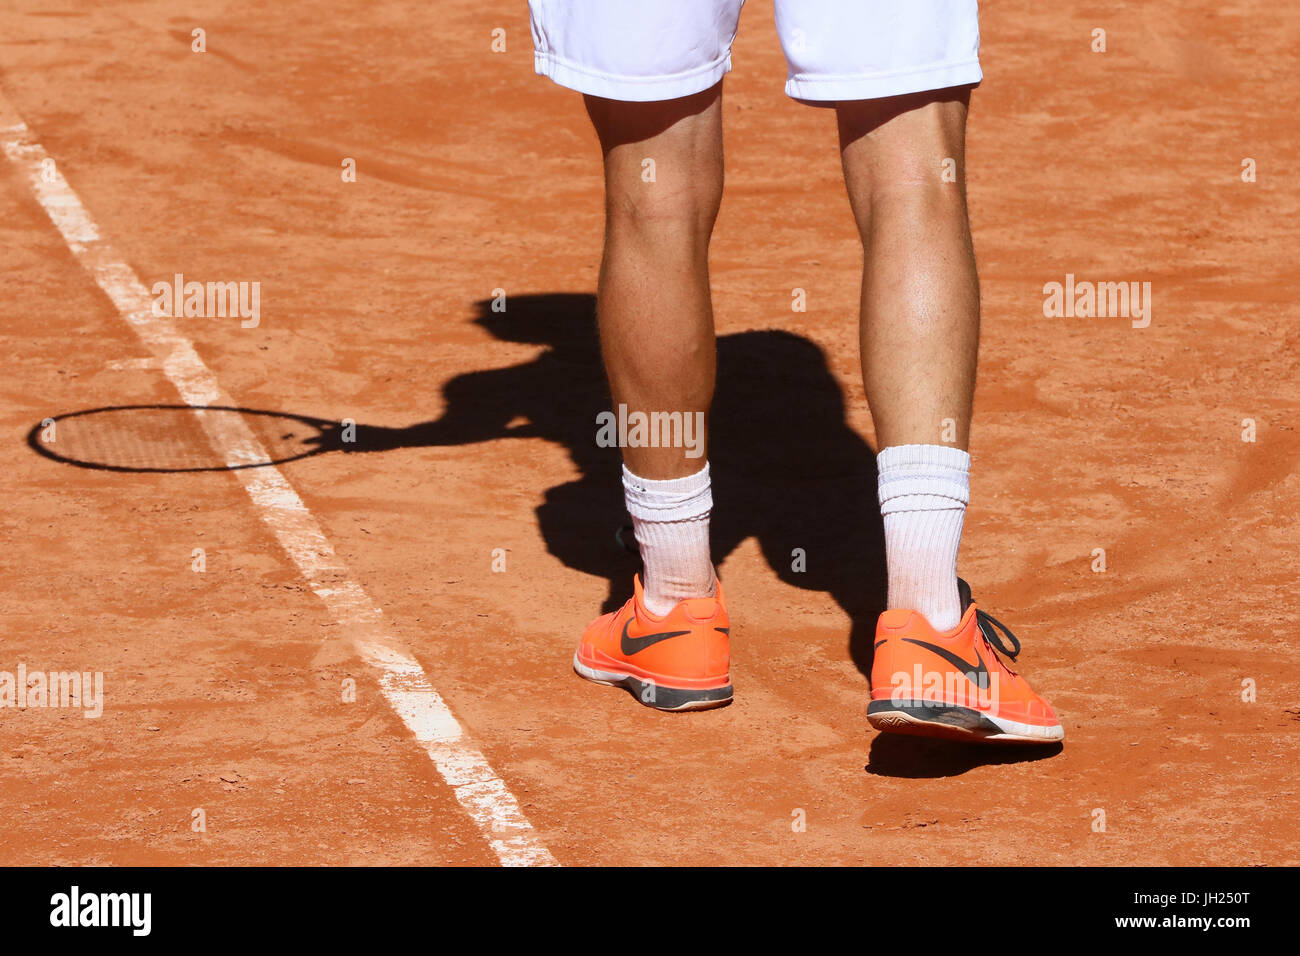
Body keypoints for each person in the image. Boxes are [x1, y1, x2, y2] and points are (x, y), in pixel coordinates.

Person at [529, 0, 1063, 742]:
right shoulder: (789, 359)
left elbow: (470, 417)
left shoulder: (497, 387)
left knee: (653, 187)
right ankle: (930, 629)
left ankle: (673, 612)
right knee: (913, 167)